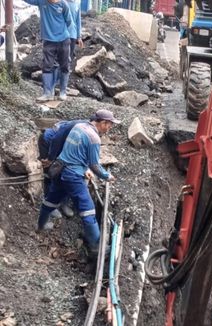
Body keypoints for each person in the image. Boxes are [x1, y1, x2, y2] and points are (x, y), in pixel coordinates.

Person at [37, 110, 119, 255]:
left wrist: (84, 167)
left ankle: (41, 225)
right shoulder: (94, 138)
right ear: (103, 123)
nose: (109, 128)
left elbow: (77, 151)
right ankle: (97, 247)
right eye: (110, 125)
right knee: (88, 209)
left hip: (60, 169)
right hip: (73, 176)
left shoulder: (79, 127)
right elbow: (95, 165)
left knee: (51, 200)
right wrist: (107, 176)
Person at [23, 0, 72, 102]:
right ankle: (47, 93)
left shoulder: (63, 4)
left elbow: (69, 21)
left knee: (64, 65)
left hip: (63, 39)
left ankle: (63, 92)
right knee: (47, 66)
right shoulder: (42, 2)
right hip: (48, 40)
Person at [38, 119, 86, 218]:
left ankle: (63, 203)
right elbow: (57, 139)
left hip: (64, 148)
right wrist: (51, 159)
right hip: (49, 142)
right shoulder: (76, 126)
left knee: (67, 174)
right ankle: (50, 205)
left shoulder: (93, 135)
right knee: (51, 173)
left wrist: (87, 168)